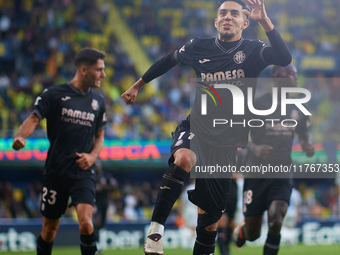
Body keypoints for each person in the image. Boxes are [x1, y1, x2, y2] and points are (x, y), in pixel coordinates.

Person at [121, 0, 292, 254]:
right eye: (222, 13)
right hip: (196, 128)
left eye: (235, 14)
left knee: (209, 223)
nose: (228, 17)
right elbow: (168, 60)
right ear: (216, 21)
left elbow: (283, 57)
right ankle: (155, 233)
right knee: (183, 158)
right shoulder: (198, 46)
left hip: (224, 145)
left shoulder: (254, 51)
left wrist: (265, 22)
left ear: (245, 23)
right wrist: (137, 85)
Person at [12, 47, 107, 255]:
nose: (104, 75)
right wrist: (20, 136)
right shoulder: (53, 95)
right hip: (56, 171)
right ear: (84, 70)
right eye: (99, 70)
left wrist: (92, 156)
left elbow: (100, 135)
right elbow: (33, 118)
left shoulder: (98, 102)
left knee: (86, 224)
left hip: (83, 172)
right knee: (49, 229)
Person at [233, 64, 315, 255]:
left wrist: (307, 146)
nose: (295, 78)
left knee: (276, 220)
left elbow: (304, 138)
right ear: (278, 78)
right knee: (253, 233)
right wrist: (255, 147)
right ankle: (244, 231)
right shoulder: (258, 104)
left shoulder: (300, 108)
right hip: (256, 171)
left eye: (295, 74)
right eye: (291, 74)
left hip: (282, 171)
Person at [93, 159, 117, 253]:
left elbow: (114, 185)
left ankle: (98, 242)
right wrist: (98, 188)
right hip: (95, 203)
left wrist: (105, 186)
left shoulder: (106, 176)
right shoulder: (92, 177)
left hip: (105, 204)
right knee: (97, 222)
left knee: (101, 224)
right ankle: (96, 243)